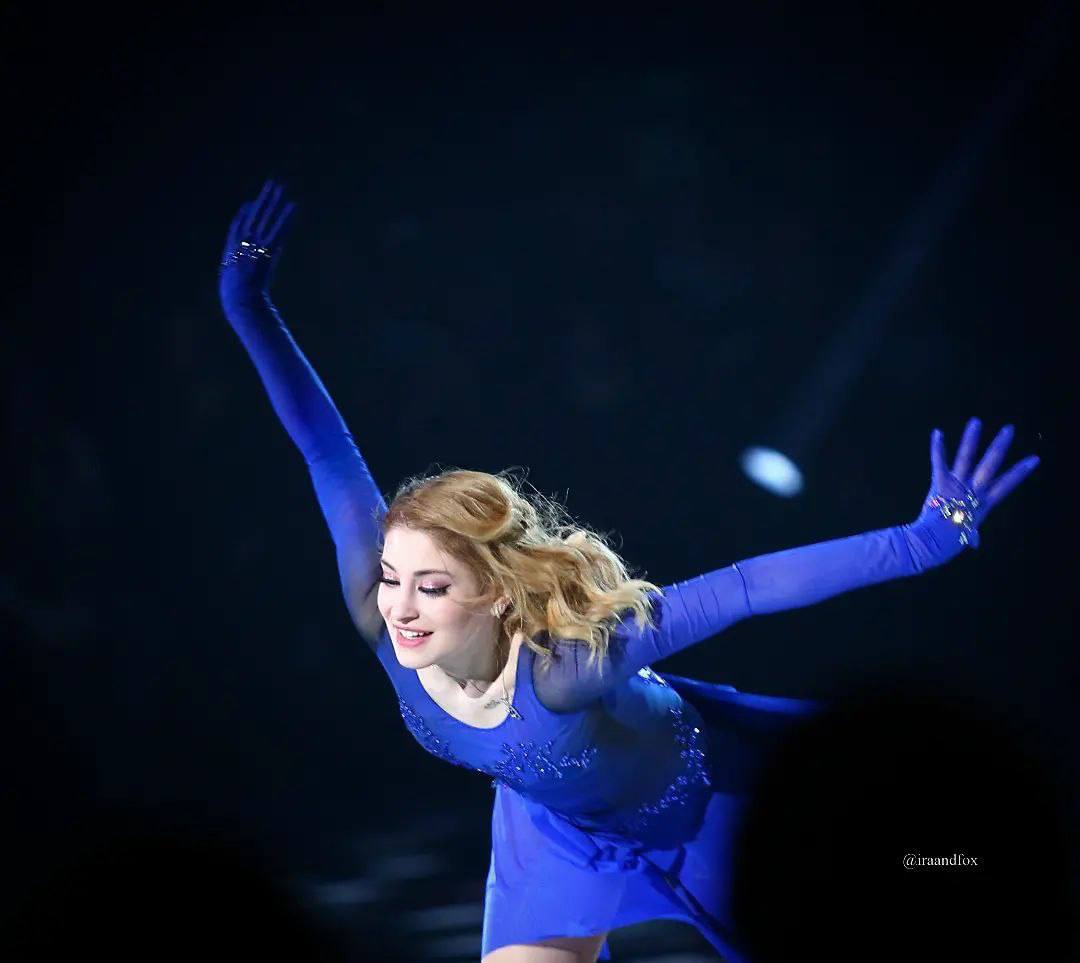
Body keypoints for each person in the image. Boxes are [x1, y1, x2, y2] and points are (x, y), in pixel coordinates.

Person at [217, 180, 1040, 963]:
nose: (397, 606)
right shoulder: (379, 614)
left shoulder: (570, 667)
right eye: (392, 577)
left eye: (431, 588)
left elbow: (745, 586)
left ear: (496, 594)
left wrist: (919, 542)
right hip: (557, 833)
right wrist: (249, 306)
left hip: (699, 810)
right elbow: (326, 449)